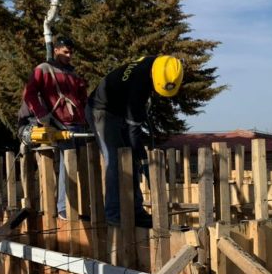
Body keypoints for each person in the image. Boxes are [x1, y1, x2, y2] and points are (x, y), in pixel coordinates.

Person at [86, 55, 183, 228]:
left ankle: (136, 212)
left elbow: (134, 130)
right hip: (101, 111)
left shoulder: (154, 64)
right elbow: (133, 132)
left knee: (130, 160)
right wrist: (143, 159)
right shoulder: (138, 84)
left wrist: (139, 158)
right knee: (116, 161)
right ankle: (114, 214)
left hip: (118, 111)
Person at [19, 37, 88, 220]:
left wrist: (86, 118)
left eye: (71, 52)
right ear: (56, 50)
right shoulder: (43, 69)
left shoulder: (74, 74)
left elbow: (83, 99)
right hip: (58, 123)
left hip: (77, 124)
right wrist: (41, 114)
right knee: (67, 163)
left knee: (78, 165)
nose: (69, 55)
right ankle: (63, 208)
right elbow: (29, 93)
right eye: (65, 52)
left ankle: (79, 206)